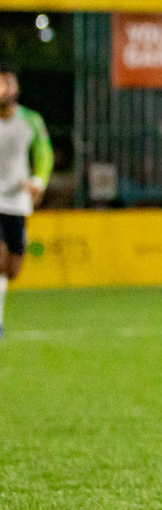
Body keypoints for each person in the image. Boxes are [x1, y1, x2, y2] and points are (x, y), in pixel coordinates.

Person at [0, 67, 51, 339]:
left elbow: (44, 154)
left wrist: (38, 181)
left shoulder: (30, 120)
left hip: (18, 201)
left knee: (12, 269)